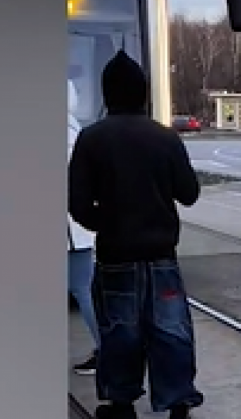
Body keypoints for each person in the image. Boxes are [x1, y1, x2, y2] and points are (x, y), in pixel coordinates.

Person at [69, 51, 203, 419]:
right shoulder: (165, 138)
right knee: (171, 331)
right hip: (162, 256)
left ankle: (122, 403)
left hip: (115, 257)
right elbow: (189, 193)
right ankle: (178, 403)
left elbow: (77, 203)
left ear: (106, 93)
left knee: (120, 332)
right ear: (143, 93)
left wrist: (106, 222)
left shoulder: (91, 139)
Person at [67, 80, 99, 376]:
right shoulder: (75, 129)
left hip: (69, 231)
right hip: (75, 230)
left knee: (82, 288)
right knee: (82, 288)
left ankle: (107, 349)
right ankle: (108, 348)